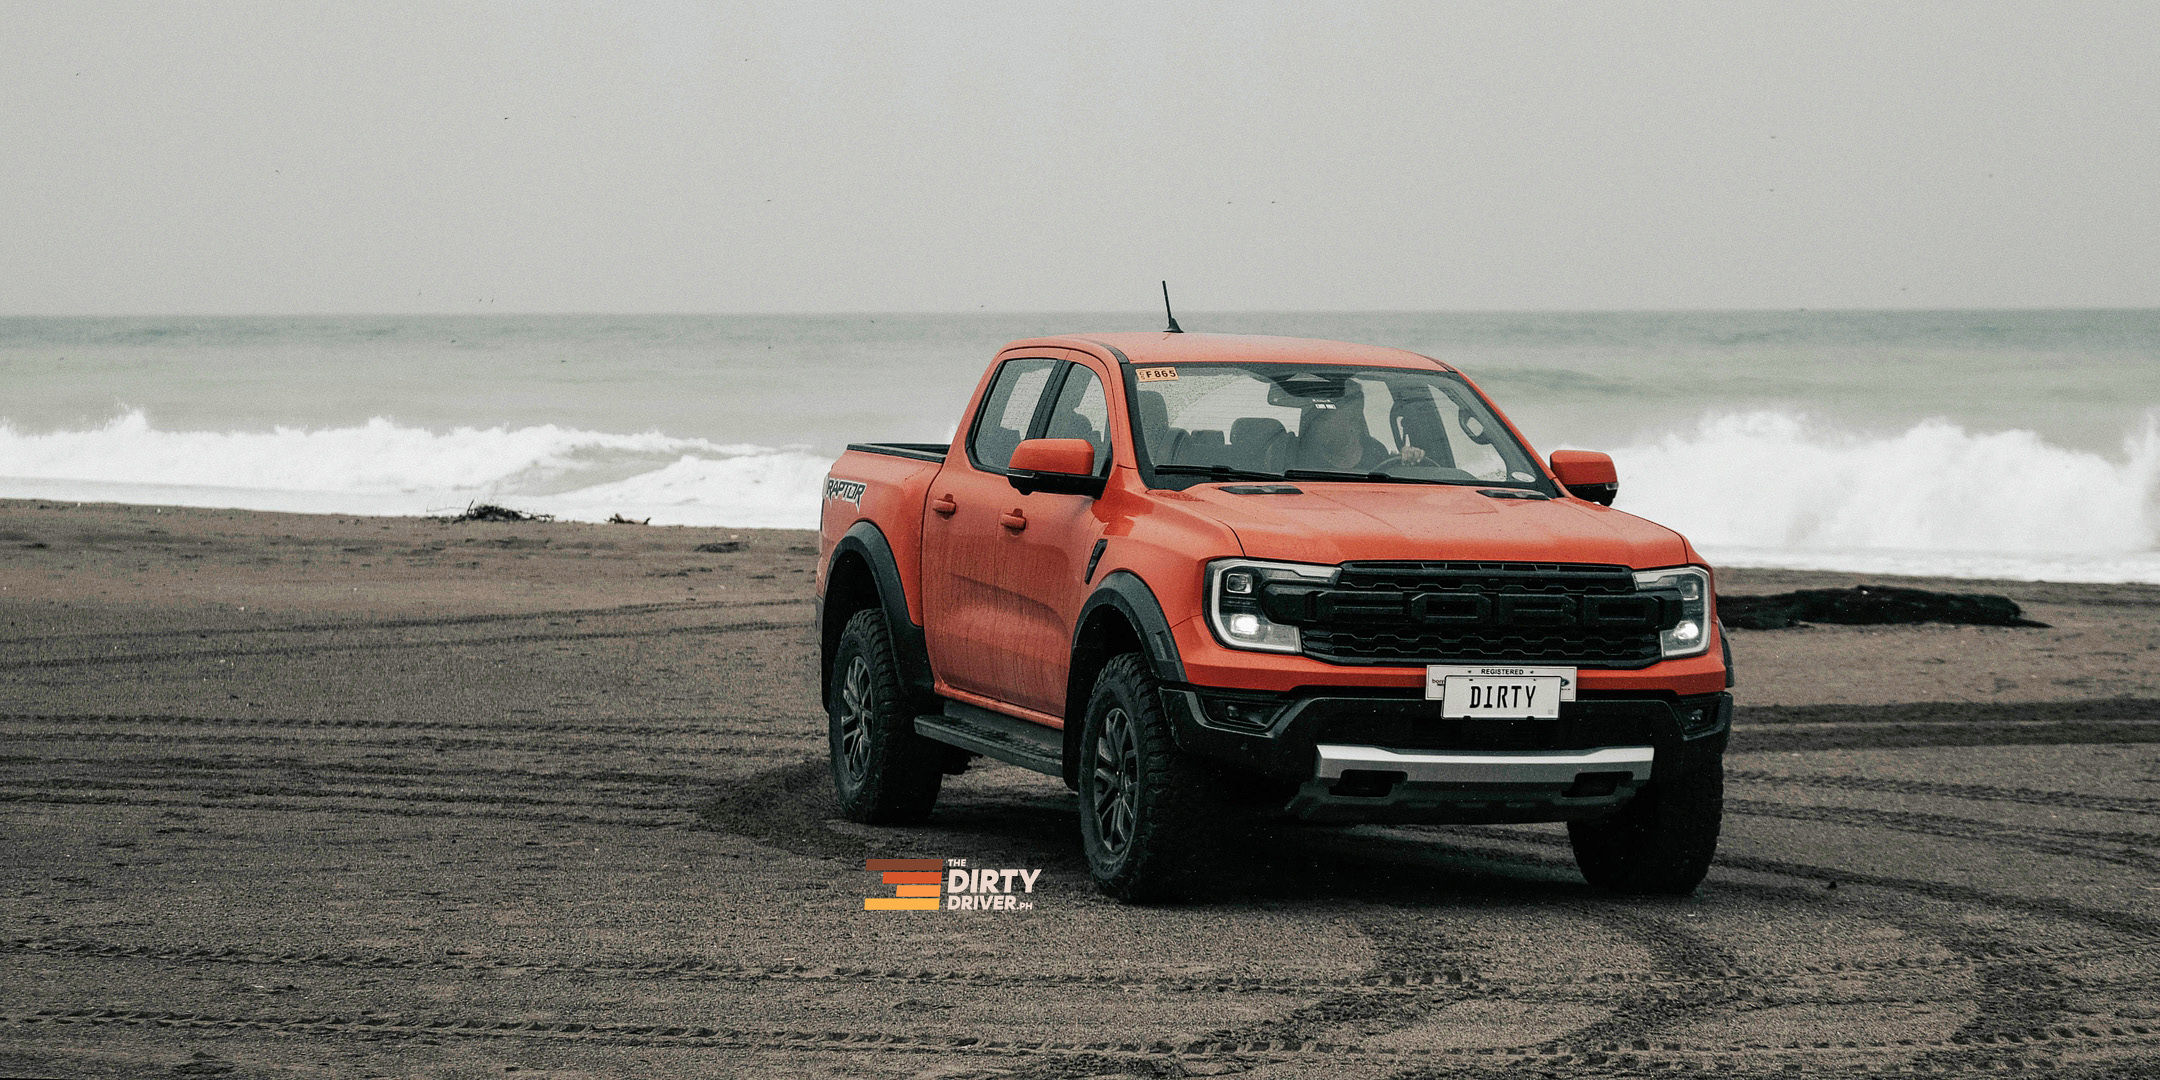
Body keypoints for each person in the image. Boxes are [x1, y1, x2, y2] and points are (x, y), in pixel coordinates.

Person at [1294, 402, 1426, 471]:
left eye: (1325, 420)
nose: (1318, 427)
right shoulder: (1298, 453)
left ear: (1352, 422)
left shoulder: (1376, 452)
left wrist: (1409, 459)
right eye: (1317, 420)